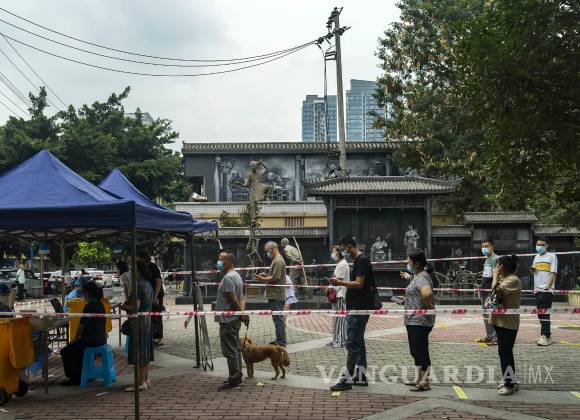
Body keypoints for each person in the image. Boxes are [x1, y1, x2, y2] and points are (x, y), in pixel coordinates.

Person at [330, 235, 375, 391]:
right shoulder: (358, 260)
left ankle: (346, 379)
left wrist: (340, 282)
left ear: (349, 247)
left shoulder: (362, 261)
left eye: (344, 249)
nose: (343, 252)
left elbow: (359, 284)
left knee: (352, 343)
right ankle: (361, 377)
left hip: (358, 308)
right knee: (359, 342)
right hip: (357, 307)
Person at [60, 281, 107, 386]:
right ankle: (83, 374)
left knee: (66, 351)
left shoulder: (89, 306)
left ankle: (73, 378)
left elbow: (81, 327)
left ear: (87, 293)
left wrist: (75, 339)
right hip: (100, 338)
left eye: (82, 293)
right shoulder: (100, 304)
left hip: (91, 340)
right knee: (77, 349)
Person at [402, 249, 435, 392]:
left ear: (416, 263)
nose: (407, 263)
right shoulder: (417, 276)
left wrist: (427, 306)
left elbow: (426, 293)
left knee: (421, 351)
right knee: (415, 350)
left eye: (409, 261)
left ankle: (425, 382)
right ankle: (418, 379)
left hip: (420, 320)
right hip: (412, 320)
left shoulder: (422, 277)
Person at [491, 255, 522, 396]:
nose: (495, 268)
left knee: (505, 353)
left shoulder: (512, 280)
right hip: (501, 321)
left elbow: (495, 290)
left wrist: (494, 275)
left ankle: (509, 385)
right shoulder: (505, 279)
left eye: (497, 265)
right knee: (504, 352)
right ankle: (510, 380)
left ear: (501, 267)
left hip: (508, 322)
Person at [214, 251, 245, 390]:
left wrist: (240, 314)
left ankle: (234, 379)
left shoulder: (228, 278)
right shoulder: (237, 276)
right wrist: (241, 313)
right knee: (236, 348)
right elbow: (241, 298)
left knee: (230, 350)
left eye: (220, 259)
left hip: (228, 320)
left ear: (228, 262)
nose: (218, 262)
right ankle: (238, 376)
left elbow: (233, 299)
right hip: (234, 319)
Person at [121, 261, 154, 392]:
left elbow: (135, 307)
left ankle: (140, 382)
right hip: (147, 322)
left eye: (134, 271)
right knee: (145, 351)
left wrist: (125, 306)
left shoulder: (139, 287)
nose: (132, 274)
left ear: (139, 272)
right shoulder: (148, 285)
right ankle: (145, 379)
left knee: (139, 352)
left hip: (139, 323)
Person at [256, 241, 286, 347]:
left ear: (272, 249)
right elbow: (273, 275)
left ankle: (281, 342)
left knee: (278, 319)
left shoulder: (278, 261)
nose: (267, 253)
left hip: (276, 294)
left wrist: (263, 279)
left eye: (267, 251)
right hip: (274, 294)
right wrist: (266, 275)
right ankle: (279, 339)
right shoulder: (276, 260)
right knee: (277, 319)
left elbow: (275, 277)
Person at [530, 237, 557, 346]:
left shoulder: (552, 256)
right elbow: (535, 272)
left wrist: (547, 287)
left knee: (544, 313)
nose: (540, 246)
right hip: (537, 289)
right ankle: (546, 335)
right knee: (540, 313)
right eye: (538, 244)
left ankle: (545, 336)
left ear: (547, 246)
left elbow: (553, 273)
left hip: (546, 290)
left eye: (542, 244)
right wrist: (532, 270)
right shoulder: (536, 257)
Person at [137, 251, 165, 347]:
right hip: (150, 295)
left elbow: (158, 282)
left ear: (143, 258)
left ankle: (159, 339)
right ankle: (154, 338)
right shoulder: (144, 267)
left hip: (156, 295)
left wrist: (155, 296)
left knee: (157, 317)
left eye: (138, 259)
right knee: (152, 317)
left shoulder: (153, 267)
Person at [477, 239, 499, 345]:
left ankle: (496, 337)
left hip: (491, 291)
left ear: (492, 246)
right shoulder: (487, 259)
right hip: (484, 291)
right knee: (486, 315)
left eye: (487, 246)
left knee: (493, 315)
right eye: (483, 246)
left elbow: (496, 276)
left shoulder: (496, 259)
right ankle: (489, 335)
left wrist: (493, 290)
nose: (484, 248)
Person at [328, 246, 349, 348]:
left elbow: (337, 281)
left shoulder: (342, 264)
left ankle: (340, 341)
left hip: (340, 294)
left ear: (339, 253)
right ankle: (336, 339)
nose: (333, 254)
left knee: (340, 319)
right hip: (337, 294)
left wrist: (330, 287)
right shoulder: (340, 264)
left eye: (334, 252)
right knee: (336, 319)